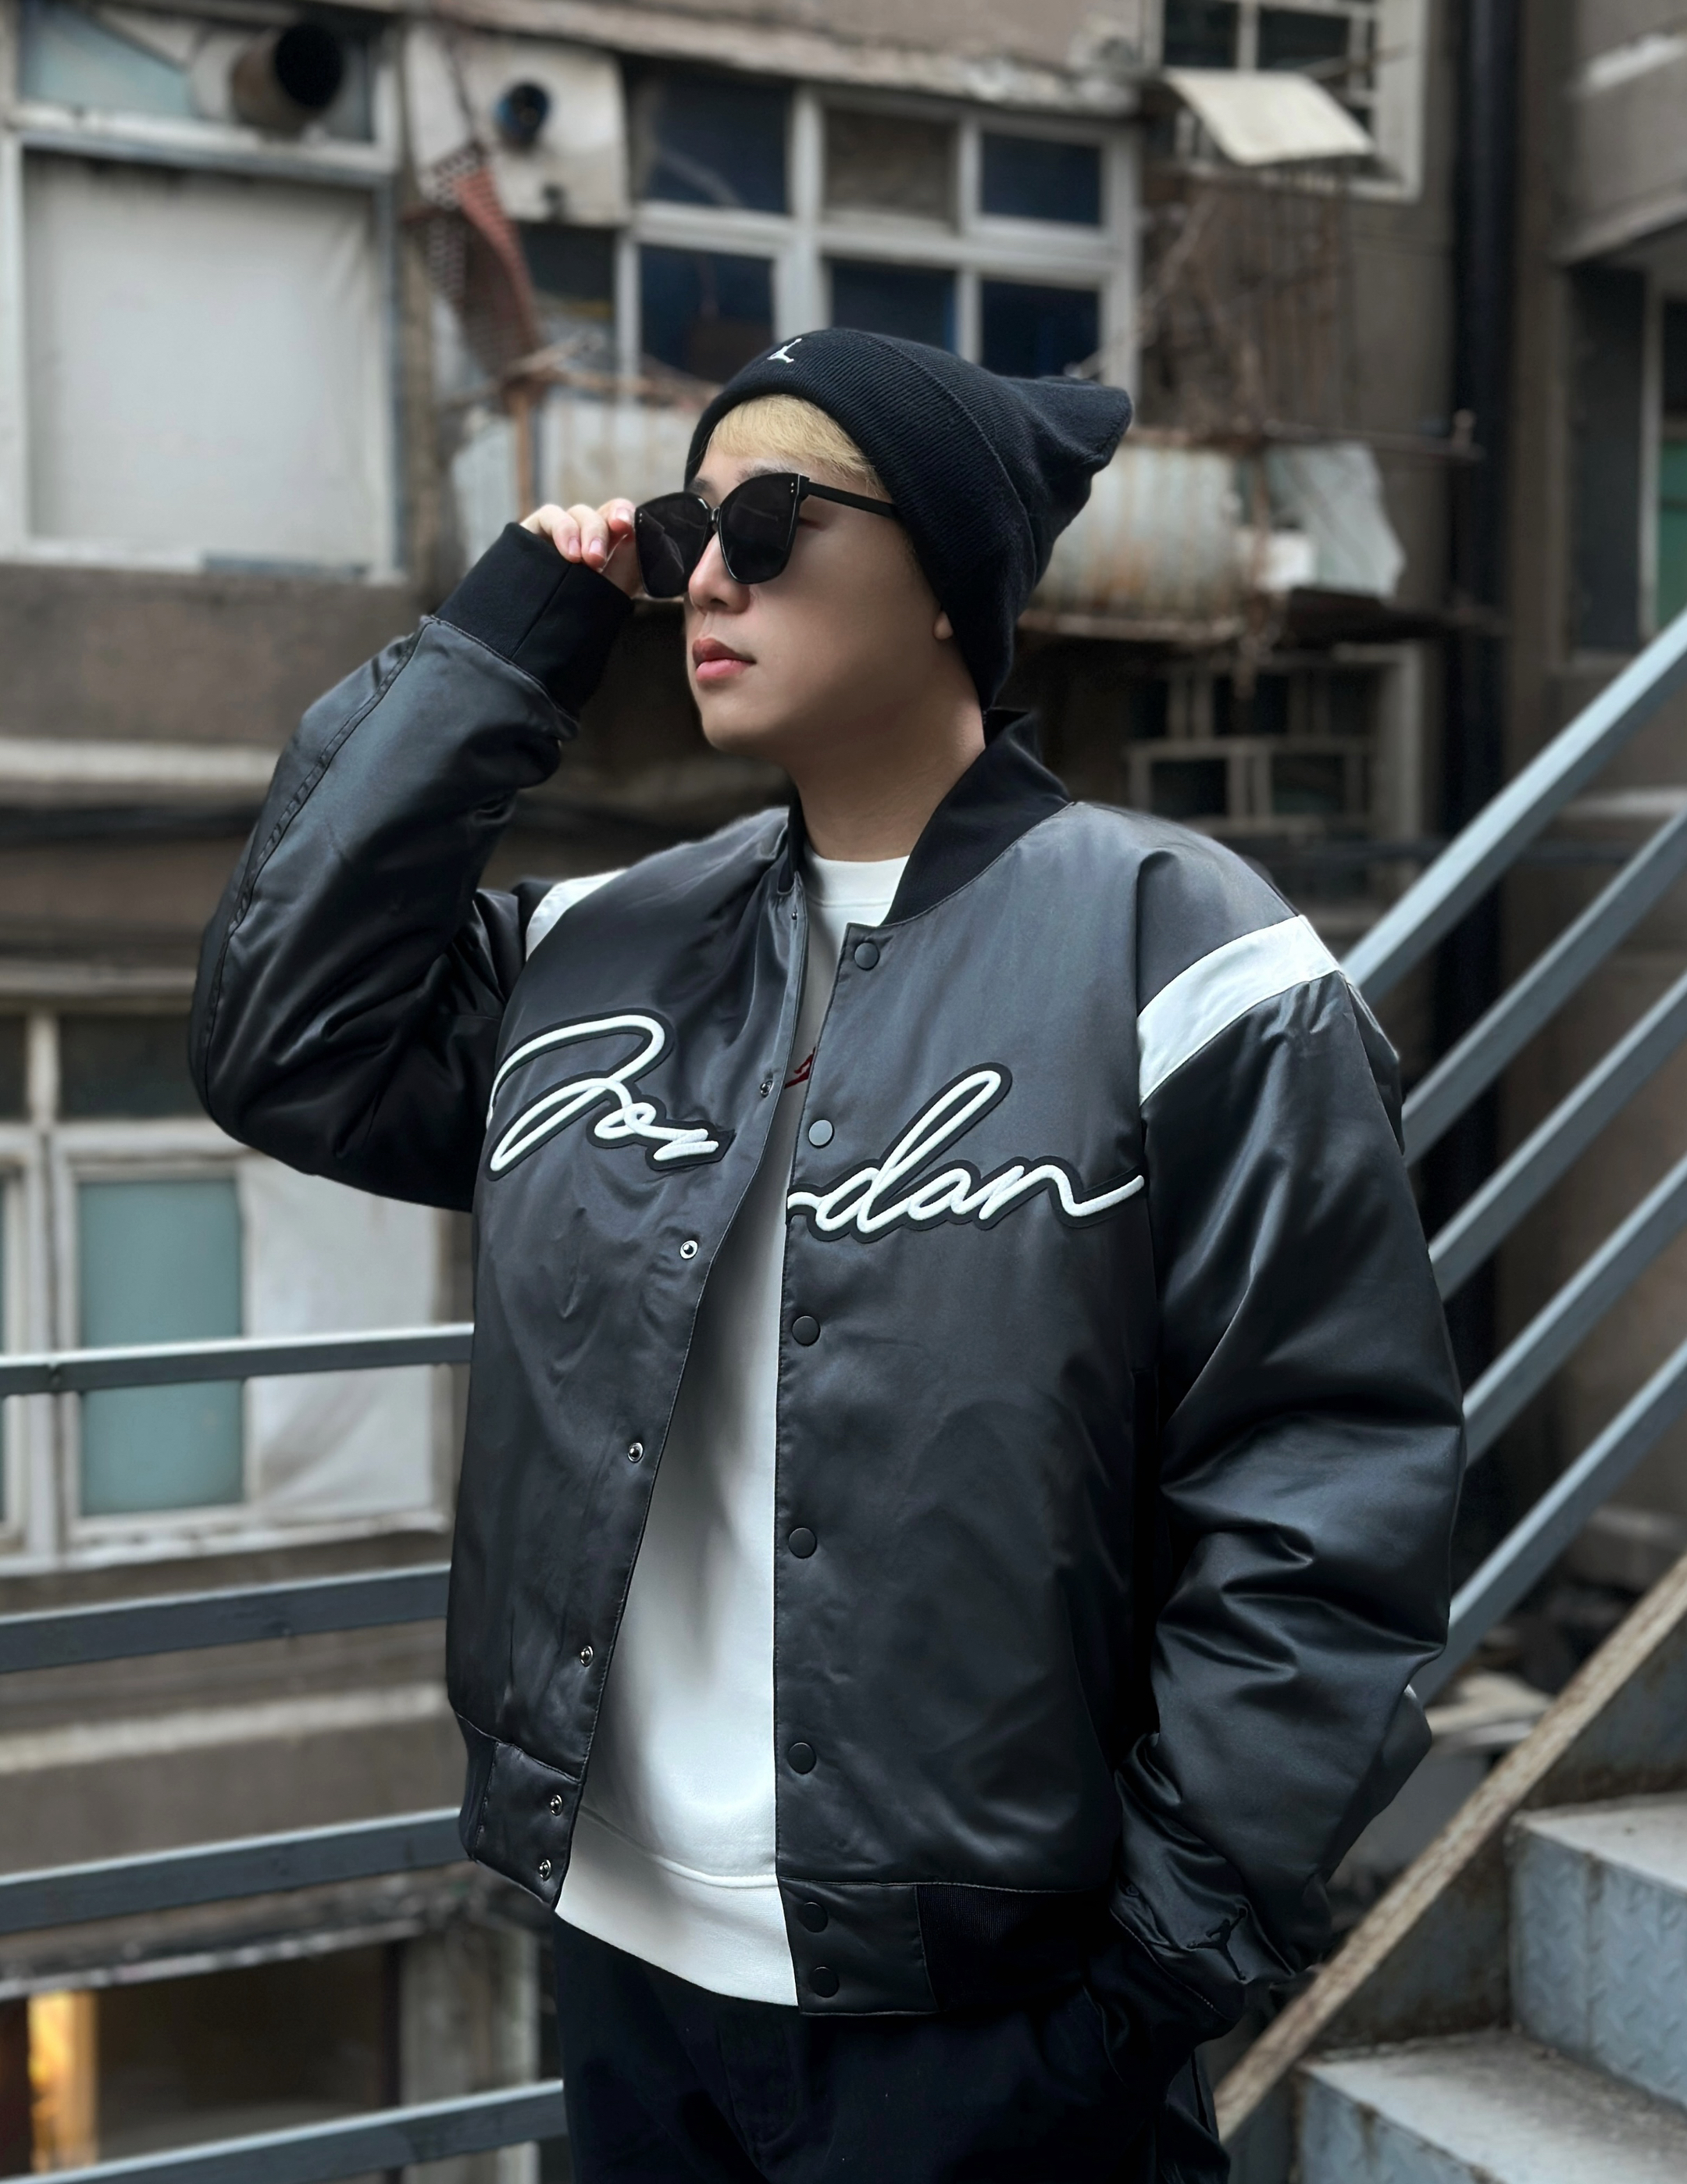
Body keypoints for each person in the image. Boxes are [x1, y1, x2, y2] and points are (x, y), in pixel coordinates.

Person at [191, 329, 1464, 2182]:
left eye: (772, 521)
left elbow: (1321, 1491)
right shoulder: (600, 953)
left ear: (948, 582)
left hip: (1000, 2013)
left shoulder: (1186, 958)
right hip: (626, 1965)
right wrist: (503, 644)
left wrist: (1144, 1984)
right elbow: (285, 1041)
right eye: (690, 528)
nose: (709, 576)